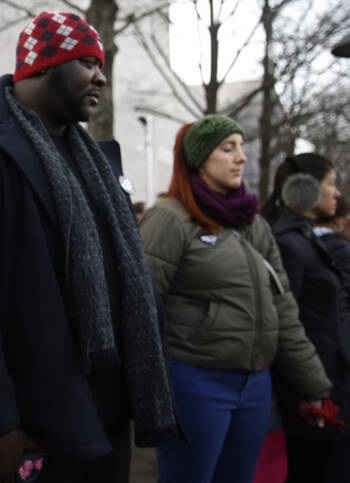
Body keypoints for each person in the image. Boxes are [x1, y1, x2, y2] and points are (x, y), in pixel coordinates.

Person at [0, 11, 180, 482]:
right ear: (39, 66)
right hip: (30, 429)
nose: (100, 75)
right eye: (86, 63)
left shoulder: (98, 165)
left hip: (105, 421)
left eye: (101, 64)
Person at [139, 116, 333, 483]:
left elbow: (283, 309)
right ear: (198, 160)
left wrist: (313, 385)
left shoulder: (253, 224)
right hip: (195, 382)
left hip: (255, 385)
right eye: (228, 148)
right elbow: (141, 308)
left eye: (242, 148)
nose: (241, 158)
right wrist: (149, 391)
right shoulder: (169, 218)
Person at [262, 153, 350, 482]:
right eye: (331, 184)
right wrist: (301, 396)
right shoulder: (289, 246)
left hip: (329, 389)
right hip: (313, 403)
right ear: (307, 189)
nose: (337, 193)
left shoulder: (306, 240)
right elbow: (284, 326)